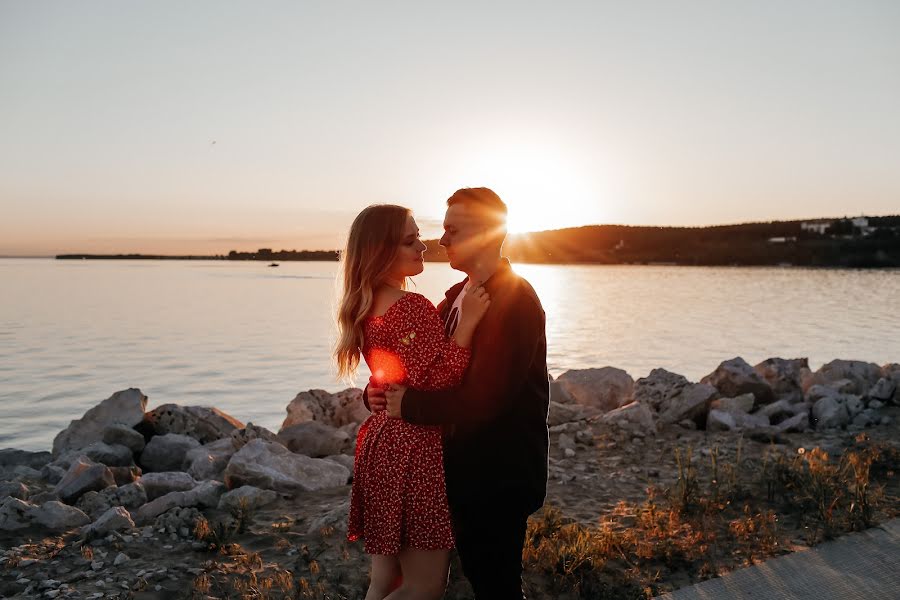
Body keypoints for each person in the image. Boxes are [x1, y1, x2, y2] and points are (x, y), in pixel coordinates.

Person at [368, 187, 550, 600]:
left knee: (496, 586)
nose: (442, 240)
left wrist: (410, 405)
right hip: (460, 473)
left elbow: (488, 398)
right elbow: (417, 367)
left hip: (497, 477)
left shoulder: (515, 299)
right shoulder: (456, 296)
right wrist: (376, 393)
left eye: (452, 229)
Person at [335, 203, 492, 600]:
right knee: (423, 588)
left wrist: (375, 392)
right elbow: (438, 380)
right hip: (414, 451)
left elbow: (391, 373)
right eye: (410, 240)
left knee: (384, 581)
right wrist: (468, 326)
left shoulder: (366, 305)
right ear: (380, 251)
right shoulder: (410, 308)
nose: (423, 247)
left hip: (382, 444)